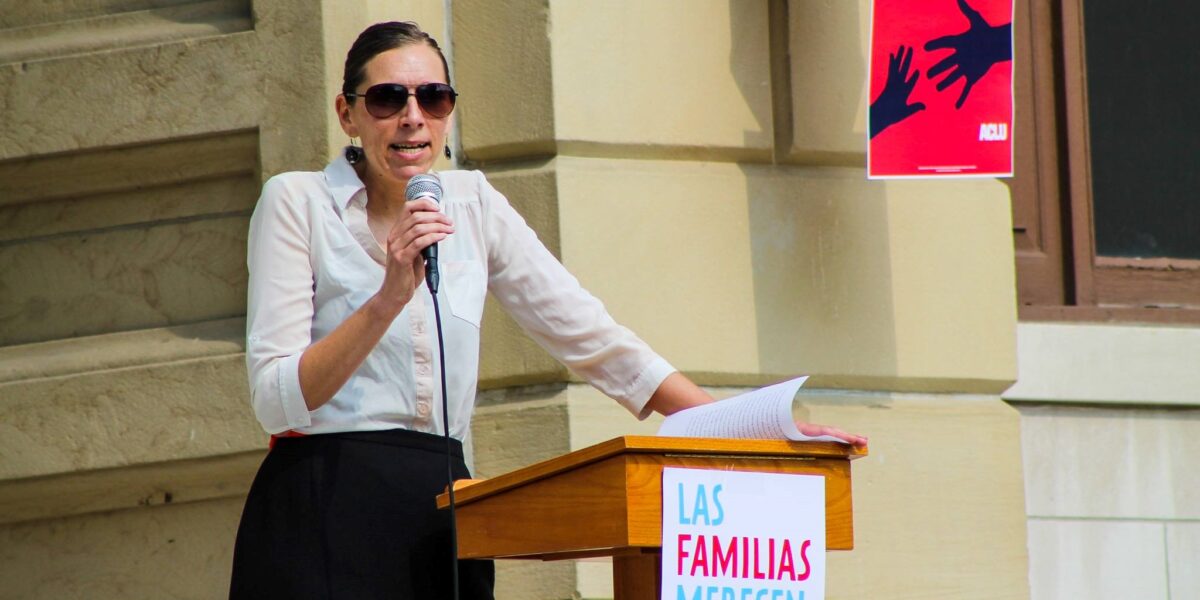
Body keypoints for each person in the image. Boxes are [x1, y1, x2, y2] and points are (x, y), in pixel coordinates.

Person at [229, 21, 866, 600]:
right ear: (348, 113)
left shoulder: (473, 204)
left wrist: (748, 428)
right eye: (389, 99)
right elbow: (276, 398)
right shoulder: (297, 203)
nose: (412, 118)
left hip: (442, 508)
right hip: (323, 502)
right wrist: (388, 297)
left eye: (435, 99)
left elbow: (595, 339)